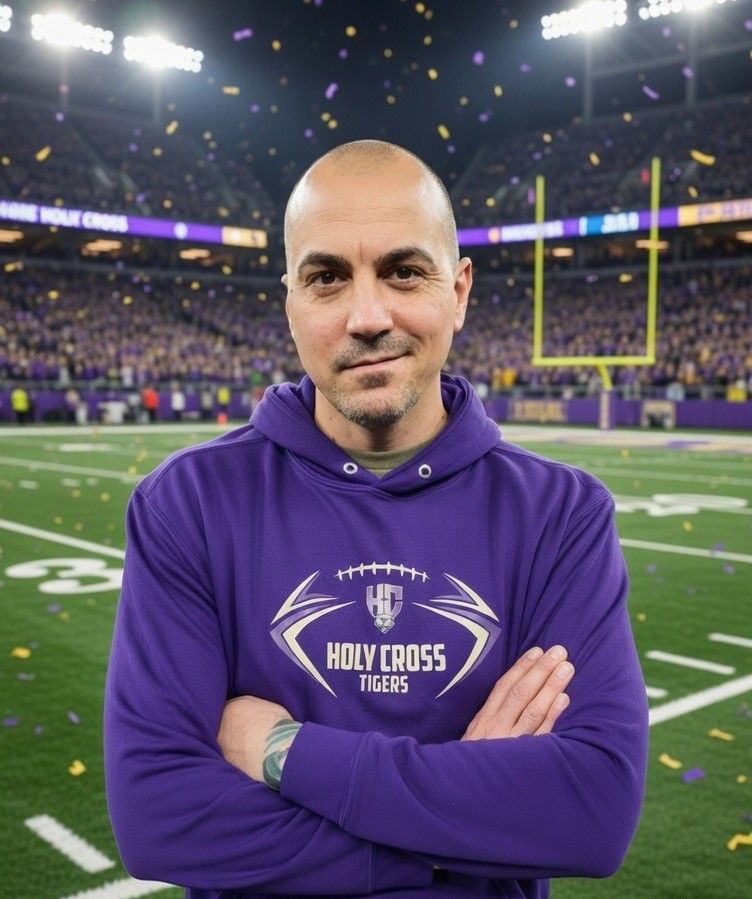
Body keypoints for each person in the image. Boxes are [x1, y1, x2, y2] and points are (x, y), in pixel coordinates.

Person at [104, 140, 648, 898]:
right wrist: (467, 828)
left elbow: (591, 809)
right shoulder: (187, 504)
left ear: (458, 291)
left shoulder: (562, 514)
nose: (367, 316)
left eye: (404, 271)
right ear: (290, 301)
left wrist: (283, 750)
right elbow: (158, 818)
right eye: (327, 278)